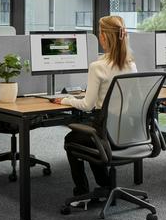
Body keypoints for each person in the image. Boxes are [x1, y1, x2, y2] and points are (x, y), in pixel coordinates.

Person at [53, 15, 137, 196]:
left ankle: (82, 192)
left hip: (104, 132)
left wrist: (66, 100)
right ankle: (105, 185)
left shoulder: (98, 66)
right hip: (125, 132)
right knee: (90, 137)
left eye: (100, 32)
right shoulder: (131, 65)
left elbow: (87, 105)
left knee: (73, 139)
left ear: (104, 37)